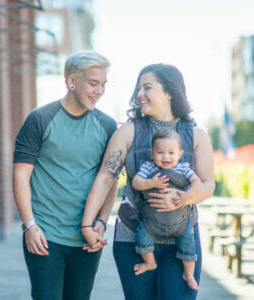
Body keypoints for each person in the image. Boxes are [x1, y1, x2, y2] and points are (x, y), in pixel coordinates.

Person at [81, 63, 215, 300]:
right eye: (139, 88)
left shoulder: (197, 135)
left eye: (147, 87)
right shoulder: (128, 132)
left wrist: (184, 198)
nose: (139, 94)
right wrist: (87, 225)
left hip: (182, 241)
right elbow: (105, 177)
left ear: (170, 92)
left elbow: (207, 184)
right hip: (132, 239)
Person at [12, 50, 118, 300]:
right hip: (45, 236)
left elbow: (110, 182)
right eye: (93, 83)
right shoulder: (39, 119)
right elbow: (20, 176)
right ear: (71, 81)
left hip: (87, 239)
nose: (99, 91)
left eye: (103, 84)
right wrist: (29, 225)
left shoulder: (107, 126)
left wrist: (102, 222)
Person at [132, 128, 202, 291]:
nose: (166, 157)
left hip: (180, 223)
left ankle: (188, 274)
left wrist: (186, 196)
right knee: (142, 238)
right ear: (152, 153)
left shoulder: (184, 168)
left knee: (188, 245)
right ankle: (149, 263)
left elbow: (197, 183)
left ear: (180, 153)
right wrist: (150, 183)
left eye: (171, 153)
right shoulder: (148, 167)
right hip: (152, 222)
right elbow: (136, 182)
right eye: (160, 152)